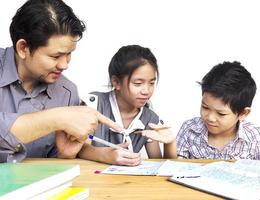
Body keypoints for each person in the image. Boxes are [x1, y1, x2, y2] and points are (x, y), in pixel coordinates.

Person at [0, 0, 121, 163]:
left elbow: (50, 165)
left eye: (69, 54)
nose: (64, 65)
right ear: (23, 48)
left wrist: (64, 155)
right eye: (55, 56)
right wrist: (56, 118)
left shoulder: (67, 92)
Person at [78, 45, 177, 166]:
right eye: (138, 83)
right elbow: (77, 150)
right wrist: (105, 155)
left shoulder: (150, 119)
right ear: (116, 82)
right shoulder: (93, 104)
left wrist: (170, 143)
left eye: (151, 83)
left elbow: (159, 166)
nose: (146, 91)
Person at [176, 61, 260, 160]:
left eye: (221, 114)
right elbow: (174, 167)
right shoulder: (189, 129)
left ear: (243, 113)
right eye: (205, 107)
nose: (210, 118)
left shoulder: (257, 137)